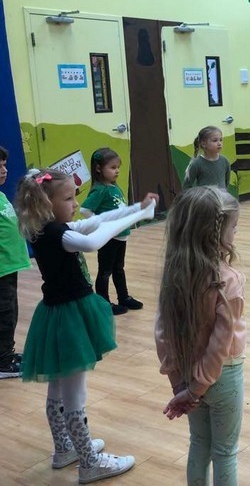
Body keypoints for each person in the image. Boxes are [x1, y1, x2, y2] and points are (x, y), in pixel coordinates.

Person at [15, 168, 157, 483]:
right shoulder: (59, 234)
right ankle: (90, 463)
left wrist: (137, 209)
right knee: (74, 394)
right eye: (68, 198)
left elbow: (94, 221)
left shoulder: (46, 229)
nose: (75, 204)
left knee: (57, 389)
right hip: (71, 319)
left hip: (55, 315)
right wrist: (137, 217)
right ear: (47, 203)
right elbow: (92, 241)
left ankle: (64, 448)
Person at [155, 186, 246, 485]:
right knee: (225, 452)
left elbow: (162, 334)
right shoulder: (228, 280)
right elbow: (221, 345)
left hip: (186, 375)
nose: (236, 232)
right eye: (233, 226)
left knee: (199, 444)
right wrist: (196, 389)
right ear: (215, 234)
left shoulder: (173, 275)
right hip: (223, 377)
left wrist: (181, 384)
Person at [80, 147, 143, 316]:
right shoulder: (101, 189)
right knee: (105, 271)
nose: (117, 171)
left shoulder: (113, 187)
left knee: (118, 269)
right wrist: (101, 225)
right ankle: (103, 303)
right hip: (109, 238)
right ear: (98, 169)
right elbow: (85, 209)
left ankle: (124, 297)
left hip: (120, 237)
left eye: (118, 167)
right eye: (113, 167)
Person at [0, 144, 31, 379]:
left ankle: (6, 353)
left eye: (4, 165)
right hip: (1, 268)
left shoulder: (1, 196)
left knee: (10, 311)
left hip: (10, 265)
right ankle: (3, 362)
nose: (4, 170)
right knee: (4, 314)